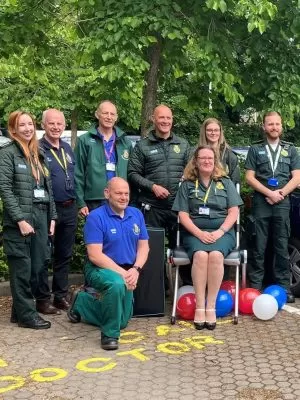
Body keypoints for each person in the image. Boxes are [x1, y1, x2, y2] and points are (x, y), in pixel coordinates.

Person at [67, 177, 149, 350]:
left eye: (126, 193)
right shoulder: (96, 217)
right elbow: (95, 255)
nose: (123, 197)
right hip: (99, 268)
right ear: (107, 193)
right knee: (117, 284)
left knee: (123, 321)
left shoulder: (136, 214)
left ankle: (81, 302)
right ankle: (109, 335)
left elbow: (144, 247)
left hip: (128, 270)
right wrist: (123, 273)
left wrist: (135, 270)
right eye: (118, 193)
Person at [172, 145, 243, 330]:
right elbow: (183, 214)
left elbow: (234, 211)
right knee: (201, 255)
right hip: (195, 232)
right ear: (195, 161)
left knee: (217, 256)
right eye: (202, 158)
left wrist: (220, 232)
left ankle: (211, 306)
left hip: (223, 232)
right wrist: (199, 233)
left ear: (215, 161)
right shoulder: (187, 184)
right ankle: (200, 306)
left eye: (210, 158)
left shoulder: (225, 182)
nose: (207, 161)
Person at [0, 111, 57, 329]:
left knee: (37, 266)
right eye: (21, 125)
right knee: (22, 268)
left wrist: (52, 216)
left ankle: (19, 310)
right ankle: (27, 316)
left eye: (30, 124)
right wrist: (20, 219)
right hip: (21, 219)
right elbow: (4, 188)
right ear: (13, 129)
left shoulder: (37, 153)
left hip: (41, 215)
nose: (27, 128)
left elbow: (47, 188)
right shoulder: (7, 153)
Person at [128, 105, 191, 285]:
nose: (165, 121)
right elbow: (132, 173)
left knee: (183, 249)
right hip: (152, 207)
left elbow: (191, 171)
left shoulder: (183, 144)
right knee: (152, 251)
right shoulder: (142, 146)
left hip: (178, 208)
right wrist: (152, 186)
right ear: (153, 119)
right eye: (161, 118)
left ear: (172, 120)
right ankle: (156, 291)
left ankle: (185, 289)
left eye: (168, 118)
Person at [245, 111, 300, 302]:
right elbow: (249, 177)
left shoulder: (291, 150)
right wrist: (269, 193)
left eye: (277, 124)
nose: (274, 127)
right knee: (259, 246)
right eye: (270, 124)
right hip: (262, 202)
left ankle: (284, 288)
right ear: (264, 126)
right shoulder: (255, 149)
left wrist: (280, 194)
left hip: (283, 202)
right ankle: (255, 287)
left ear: (282, 126)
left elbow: (297, 177)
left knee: (281, 245)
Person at [36, 109, 77, 314]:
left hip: (69, 208)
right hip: (46, 210)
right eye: (51, 123)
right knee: (44, 255)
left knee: (64, 254)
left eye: (59, 124)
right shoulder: (37, 149)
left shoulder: (67, 148)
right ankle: (42, 300)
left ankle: (60, 296)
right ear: (43, 125)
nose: (56, 127)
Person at [74, 100, 132, 216]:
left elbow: (132, 173)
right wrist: (80, 202)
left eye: (112, 114)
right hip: (94, 199)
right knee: (96, 232)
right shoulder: (84, 140)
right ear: (97, 115)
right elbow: (77, 172)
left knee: (118, 233)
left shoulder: (125, 142)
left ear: (116, 117)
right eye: (105, 113)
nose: (109, 117)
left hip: (119, 198)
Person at [198, 117, 240, 184]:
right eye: (209, 130)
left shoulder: (229, 155)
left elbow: (235, 181)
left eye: (216, 130)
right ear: (204, 132)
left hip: (223, 192)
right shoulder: (195, 153)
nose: (213, 133)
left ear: (220, 132)